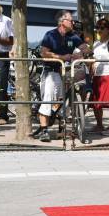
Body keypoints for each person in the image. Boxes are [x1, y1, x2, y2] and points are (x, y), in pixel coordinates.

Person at [33, 10, 90, 142]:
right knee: (49, 97)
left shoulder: (73, 36)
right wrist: (61, 57)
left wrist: (83, 53)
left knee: (64, 100)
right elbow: (44, 52)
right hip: (51, 71)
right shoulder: (50, 35)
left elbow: (85, 48)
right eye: (71, 20)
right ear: (62, 22)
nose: (73, 22)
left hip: (67, 71)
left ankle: (61, 128)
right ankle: (44, 130)